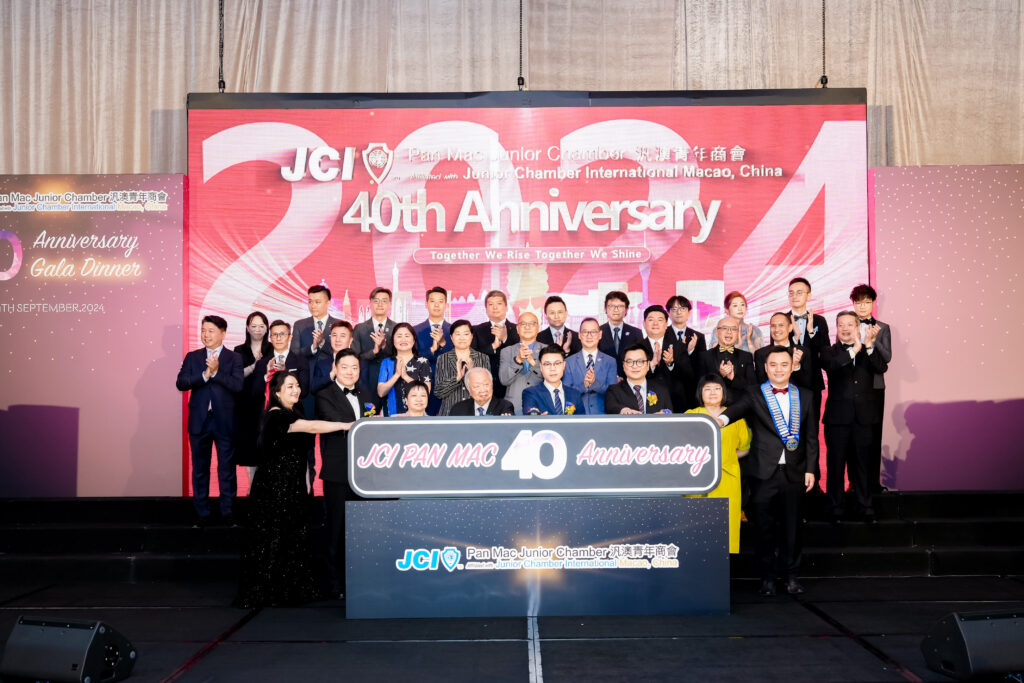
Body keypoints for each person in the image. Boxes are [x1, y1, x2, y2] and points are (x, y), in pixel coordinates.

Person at [234, 372, 351, 608]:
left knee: (292, 536)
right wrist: (346, 425)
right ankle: (270, 590)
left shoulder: (294, 412)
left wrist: (306, 479)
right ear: (277, 392)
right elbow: (311, 426)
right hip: (275, 487)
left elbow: (301, 451)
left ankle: (290, 588)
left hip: (293, 485)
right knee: (275, 537)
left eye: (297, 385)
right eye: (289, 386)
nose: (296, 390)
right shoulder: (276, 415)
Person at [718, 345, 819, 596]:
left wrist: (811, 469)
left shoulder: (806, 395)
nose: (778, 370)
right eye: (773, 365)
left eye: (784, 365)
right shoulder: (754, 393)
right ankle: (768, 579)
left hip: (795, 473)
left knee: (793, 528)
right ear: (765, 367)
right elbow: (736, 411)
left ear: (793, 367)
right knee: (764, 529)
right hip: (763, 473)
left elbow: (811, 437)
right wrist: (719, 420)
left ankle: (791, 577)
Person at [314, 348, 377, 599]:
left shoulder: (367, 394)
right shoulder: (324, 395)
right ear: (335, 369)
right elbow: (336, 421)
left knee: (363, 528)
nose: (350, 372)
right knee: (336, 527)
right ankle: (334, 584)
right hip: (338, 471)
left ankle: (360, 580)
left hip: (366, 473)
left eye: (355, 368)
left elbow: (373, 424)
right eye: (345, 367)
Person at [175, 315, 244, 527]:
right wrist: (204, 376)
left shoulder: (234, 358)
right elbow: (181, 383)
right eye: (203, 330)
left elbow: (237, 386)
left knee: (226, 469)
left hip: (225, 422)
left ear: (223, 333)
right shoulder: (193, 357)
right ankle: (202, 514)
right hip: (199, 422)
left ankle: (228, 513)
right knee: (200, 469)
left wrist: (216, 373)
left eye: (211, 331)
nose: (206, 335)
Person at [821, 310, 889, 524]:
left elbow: (881, 367)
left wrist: (868, 346)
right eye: (841, 324)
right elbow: (831, 366)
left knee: (862, 466)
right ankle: (835, 507)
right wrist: (854, 350)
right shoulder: (829, 351)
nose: (845, 328)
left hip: (863, 419)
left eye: (850, 324)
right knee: (836, 466)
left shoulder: (867, 349)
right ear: (836, 328)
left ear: (857, 327)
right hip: (837, 419)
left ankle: (865, 506)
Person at [686, 375, 751, 553]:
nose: (712, 392)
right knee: (696, 527)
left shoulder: (735, 416)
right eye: (707, 389)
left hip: (727, 477)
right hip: (696, 479)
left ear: (724, 392)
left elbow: (745, 448)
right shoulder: (691, 415)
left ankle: (724, 566)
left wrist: (725, 458)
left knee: (726, 527)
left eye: (717, 388)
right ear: (700, 393)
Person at [850, 284, 892, 494]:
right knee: (853, 438)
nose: (863, 306)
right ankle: (854, 484)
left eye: (867, 302)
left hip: (874, 388)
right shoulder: (848, 325)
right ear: (853, 304)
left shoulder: (883, 327)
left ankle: (873, 484)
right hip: (852, 387)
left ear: (873, 303)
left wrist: (873, 342)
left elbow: (887, 357)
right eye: (859, 302)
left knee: (874, 437)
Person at [787, 277, 829, 439]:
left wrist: (811, 332)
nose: (794, 296)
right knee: (789, 430)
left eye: (799, 292)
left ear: (808, 295)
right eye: (791, 293)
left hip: (813, 383)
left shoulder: (819, 321)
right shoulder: (782, 319)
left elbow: (824, 352)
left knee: (812, 430)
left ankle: (812, 458)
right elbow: (776, 351)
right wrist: (795, 339)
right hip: (788, 382)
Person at [233, 312, 272, 485]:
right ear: (247, 328)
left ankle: (265, 487)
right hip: (246, 404)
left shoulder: (272, 348)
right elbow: (235, 376)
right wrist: (255, 366)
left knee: (267, 445)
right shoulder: (239, 350)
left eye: (261, 326)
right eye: (254, 326)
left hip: (268, 403)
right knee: (249, 446)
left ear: (267, 328)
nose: (257, 330)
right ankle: (252, 486)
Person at [291, 285, 338, 417]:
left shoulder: (339, 325)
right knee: (308, 421)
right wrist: (312, 347)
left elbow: (343, 353)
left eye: (317, 302)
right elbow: (294, 353)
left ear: (328, 303)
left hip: (331, 381)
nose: (313, 306)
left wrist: (322, 343)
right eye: (310, 302)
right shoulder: (300, 325)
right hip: (307, 383)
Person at [434, 319, 491, 416]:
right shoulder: (443, 358)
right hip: (450, 413)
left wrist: (472, 375)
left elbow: (487, 391)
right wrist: (457, 379)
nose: (462, 338)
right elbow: (438, 392)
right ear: (451, 337)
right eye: (458, 334)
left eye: (466, 334)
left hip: (475, 414)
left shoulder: (483, 358)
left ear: (472, 336)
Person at [471, 290, 520, 400]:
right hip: (485, 389)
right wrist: (492, 347)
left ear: (506, 307)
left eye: (499, 303)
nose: (495, 307)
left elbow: (520, 353)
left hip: (512, 386)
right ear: (486, 309)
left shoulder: (517, 329)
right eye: (491, 304)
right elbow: (473, 356)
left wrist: (505, 339)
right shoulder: (477, 330)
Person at [563, 317, 617, 416]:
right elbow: (566, 393)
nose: (589, 336)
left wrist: (594, 383)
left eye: (593, 332)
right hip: (577, 416)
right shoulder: (568, 362)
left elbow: (613, 393)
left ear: (600, 335)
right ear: (579, 335)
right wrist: (584, 385)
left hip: (603, 416)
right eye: (585, 332)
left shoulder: (610, 362)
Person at [377, 322, 432, 416]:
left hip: (416, 416)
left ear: (413, 340)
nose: (403, 339)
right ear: (393, 340)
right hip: (392, 416)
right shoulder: (387, 362)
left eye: (407, 336)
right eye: (399, 336)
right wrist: (396, 375)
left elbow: (426, 391)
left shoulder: (423, 362)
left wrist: (405, 376)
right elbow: (381, 393)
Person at [412, 286, 452, 415]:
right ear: (426, 304)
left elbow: (457, 356)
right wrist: (431, 350)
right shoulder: (415, 330)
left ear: (446, 304)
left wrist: (443, 343)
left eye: (440, 301)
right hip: (423, 388)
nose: (436, 305)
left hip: (449, 387)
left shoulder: (454, 331)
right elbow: (413, 358)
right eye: (433, 301)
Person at [351, 286, 396, 399]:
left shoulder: (396, 328)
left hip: (390, 381)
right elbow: (354, 358)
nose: (380, 304)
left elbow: (400, 356)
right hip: (366, 383)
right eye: (376, 301)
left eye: (384, 301)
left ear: (390, 304)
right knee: (369, 410)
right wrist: (374, 351)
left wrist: (384, 346)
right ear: (370, 303)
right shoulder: (360, 329)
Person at [604, 343, 673, 414]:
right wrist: (624, 410)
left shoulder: (661, 390)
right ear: (623, 366)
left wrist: (663, 414)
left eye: (640, 361)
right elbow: (611, 407)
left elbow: (669, 411)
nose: (634, 366)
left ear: (647, 365)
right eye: (629, 362)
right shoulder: (614, 390)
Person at [498, 311, 544, 414]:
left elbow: (550, 377)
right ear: (517, 328)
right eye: (523, 324)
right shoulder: (507, 351)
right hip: (514, 406)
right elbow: (504, 380)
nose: (527, 327)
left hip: (541, 403)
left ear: (538, 328)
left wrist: (533, 362)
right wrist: (517, 361)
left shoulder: (547, 350)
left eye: (532, 324)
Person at [698, 317, 757, 394]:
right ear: (717, 332)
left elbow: (753, 386)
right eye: (725, 328)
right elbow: (699, 386)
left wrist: (732, 379)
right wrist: (720, 375)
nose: (729, 332)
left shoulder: (746, 356)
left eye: (733, 329)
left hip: (739, 401)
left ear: (738, 333)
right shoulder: (704, 356)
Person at [666, 295, 705, 410]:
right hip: (668, 392)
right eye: (674, 309)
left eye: (682, 308)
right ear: (668, 313)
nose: (678, 312)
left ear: (689, 312)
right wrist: (684, 352)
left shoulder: (698, 337)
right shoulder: (662, 335)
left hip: (691, 393)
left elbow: (700, 367)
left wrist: (690, 352)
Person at [522, 345, 586, 415]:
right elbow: (530, 413)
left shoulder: (575, 394)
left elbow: (581, 420)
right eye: (547, 364)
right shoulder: (531, 393)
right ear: (541, 367)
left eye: (557, 363)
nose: (552, 368)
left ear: (564, 365)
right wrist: (535, 416)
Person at [755, 312, 808, 387]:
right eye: (773, 326)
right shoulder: (760, 354)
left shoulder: (802, 352)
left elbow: (808, 384)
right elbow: (760, 382)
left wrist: (796, 366)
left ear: (790, 328)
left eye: (781, 325)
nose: (777, 329)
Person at [598, 290, 642, 378]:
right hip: (604, 381)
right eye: (612, 306)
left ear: (626, 310)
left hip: (629, 380)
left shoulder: (636, 333)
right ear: (605, 309)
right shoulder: (597, 332)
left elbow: (640, 359)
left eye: (620, 306)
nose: (616, 309)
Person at [310, 320, 354, 394]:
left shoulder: (359, 362)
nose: (337, 340)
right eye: (334, 335)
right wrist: (331, 375)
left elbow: (364, 389)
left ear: (350, 340)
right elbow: (313, 388)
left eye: (342, 336)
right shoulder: (321, 364)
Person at [450, 367, 515, 416]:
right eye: (477, 386)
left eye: (486, 384)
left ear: (492, 384)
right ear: (468, 389)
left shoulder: (504, 406)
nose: (483, 390)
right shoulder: (458, 409)